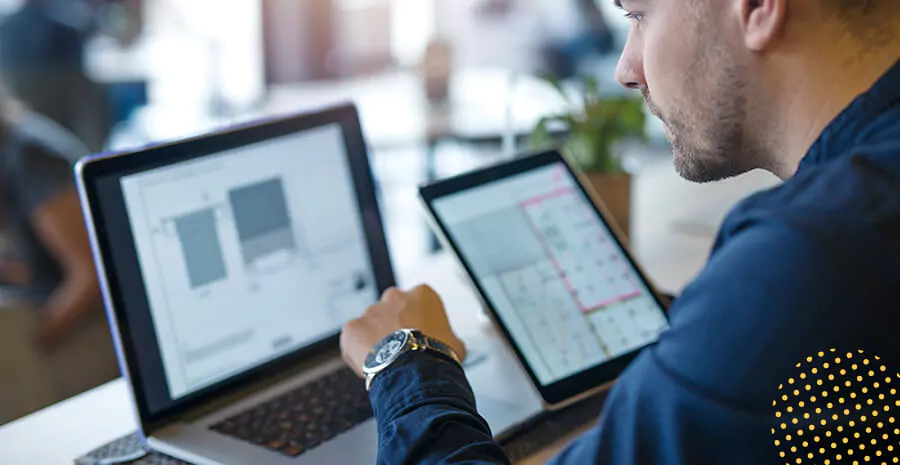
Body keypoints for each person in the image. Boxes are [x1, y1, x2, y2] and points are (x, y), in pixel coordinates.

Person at [340, 0, 900, 463]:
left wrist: (404, 361)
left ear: (756, 8)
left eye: (639, 16)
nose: (626, 69)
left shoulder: (810, 257)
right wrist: (700, 327)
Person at [0, 86, 118, 425]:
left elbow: (91, 274)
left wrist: (39, 338)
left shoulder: (31, 155)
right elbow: (34, 263)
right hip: (48, 296)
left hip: (95, 322)